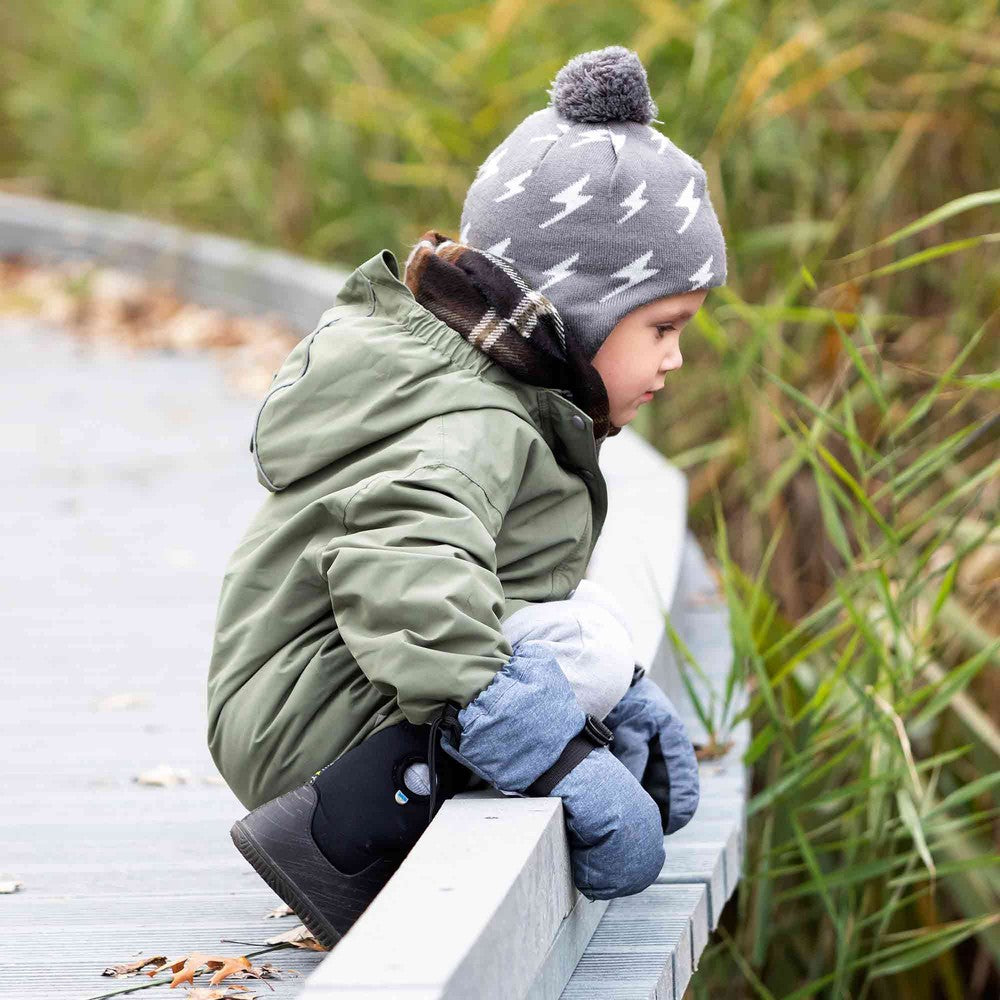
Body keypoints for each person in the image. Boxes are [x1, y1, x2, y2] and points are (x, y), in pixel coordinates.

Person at [208, 44, 727, 949]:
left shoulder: (498, 390)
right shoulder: (473, 419)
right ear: (582, 308)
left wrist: (613, 692)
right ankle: (340, 835)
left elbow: (509, 587)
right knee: (567, 644)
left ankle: (479, 747)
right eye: (661, 327)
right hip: (310, 722)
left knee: (589, 627)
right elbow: (405, 574)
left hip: (321, 685)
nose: (675, 358)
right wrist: (560, 759)